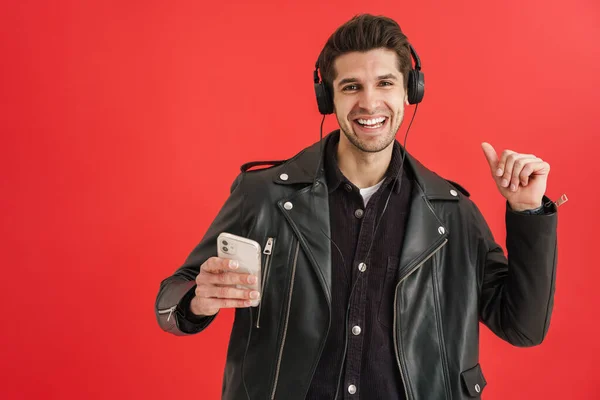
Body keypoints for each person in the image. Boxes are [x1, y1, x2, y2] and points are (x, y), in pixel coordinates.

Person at [155, 14, 558, 400]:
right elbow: (169, 303)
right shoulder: (262, 196)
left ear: (409, 91)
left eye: (385, 83)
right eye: (351, 87)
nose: (369, 103)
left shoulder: (452, 214)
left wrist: (527, 212)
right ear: (327, 98)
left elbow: (523, 328)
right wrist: (196, 300)